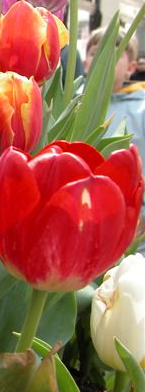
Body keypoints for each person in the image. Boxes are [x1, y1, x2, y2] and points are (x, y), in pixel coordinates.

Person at [85, 28, 145, 248]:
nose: (102, 59)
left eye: (114, 53)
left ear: (131, 68)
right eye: (95, 53)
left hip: (126, 218)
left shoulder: (141, 109)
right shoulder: (74, 102)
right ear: (84, 62)